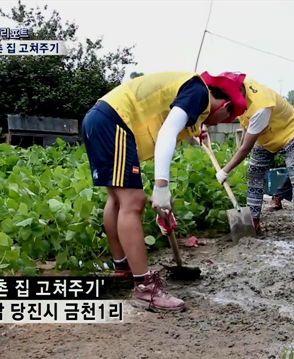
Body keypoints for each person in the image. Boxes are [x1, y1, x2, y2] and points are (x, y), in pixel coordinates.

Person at [81, 71, 247, 312]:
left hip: (102, 118)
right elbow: (166, 133)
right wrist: (161, 187)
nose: (218, 122)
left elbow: (168, 120)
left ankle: (122, 268)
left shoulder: (193, 94)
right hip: (114, 121)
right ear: (226, 105)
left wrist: (194, 127)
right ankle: (145, 289)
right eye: (225, 118)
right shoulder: (198, 92)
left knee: (117, 200)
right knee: (133, 201)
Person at [212, 74, 294, 250]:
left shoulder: (260, 105)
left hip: (290, 133)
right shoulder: (238, 96)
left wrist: (225, 170)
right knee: (254, 175)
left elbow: (246, 148)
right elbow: (245, 124)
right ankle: (253, 222)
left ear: (241, 90)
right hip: (265, 137)